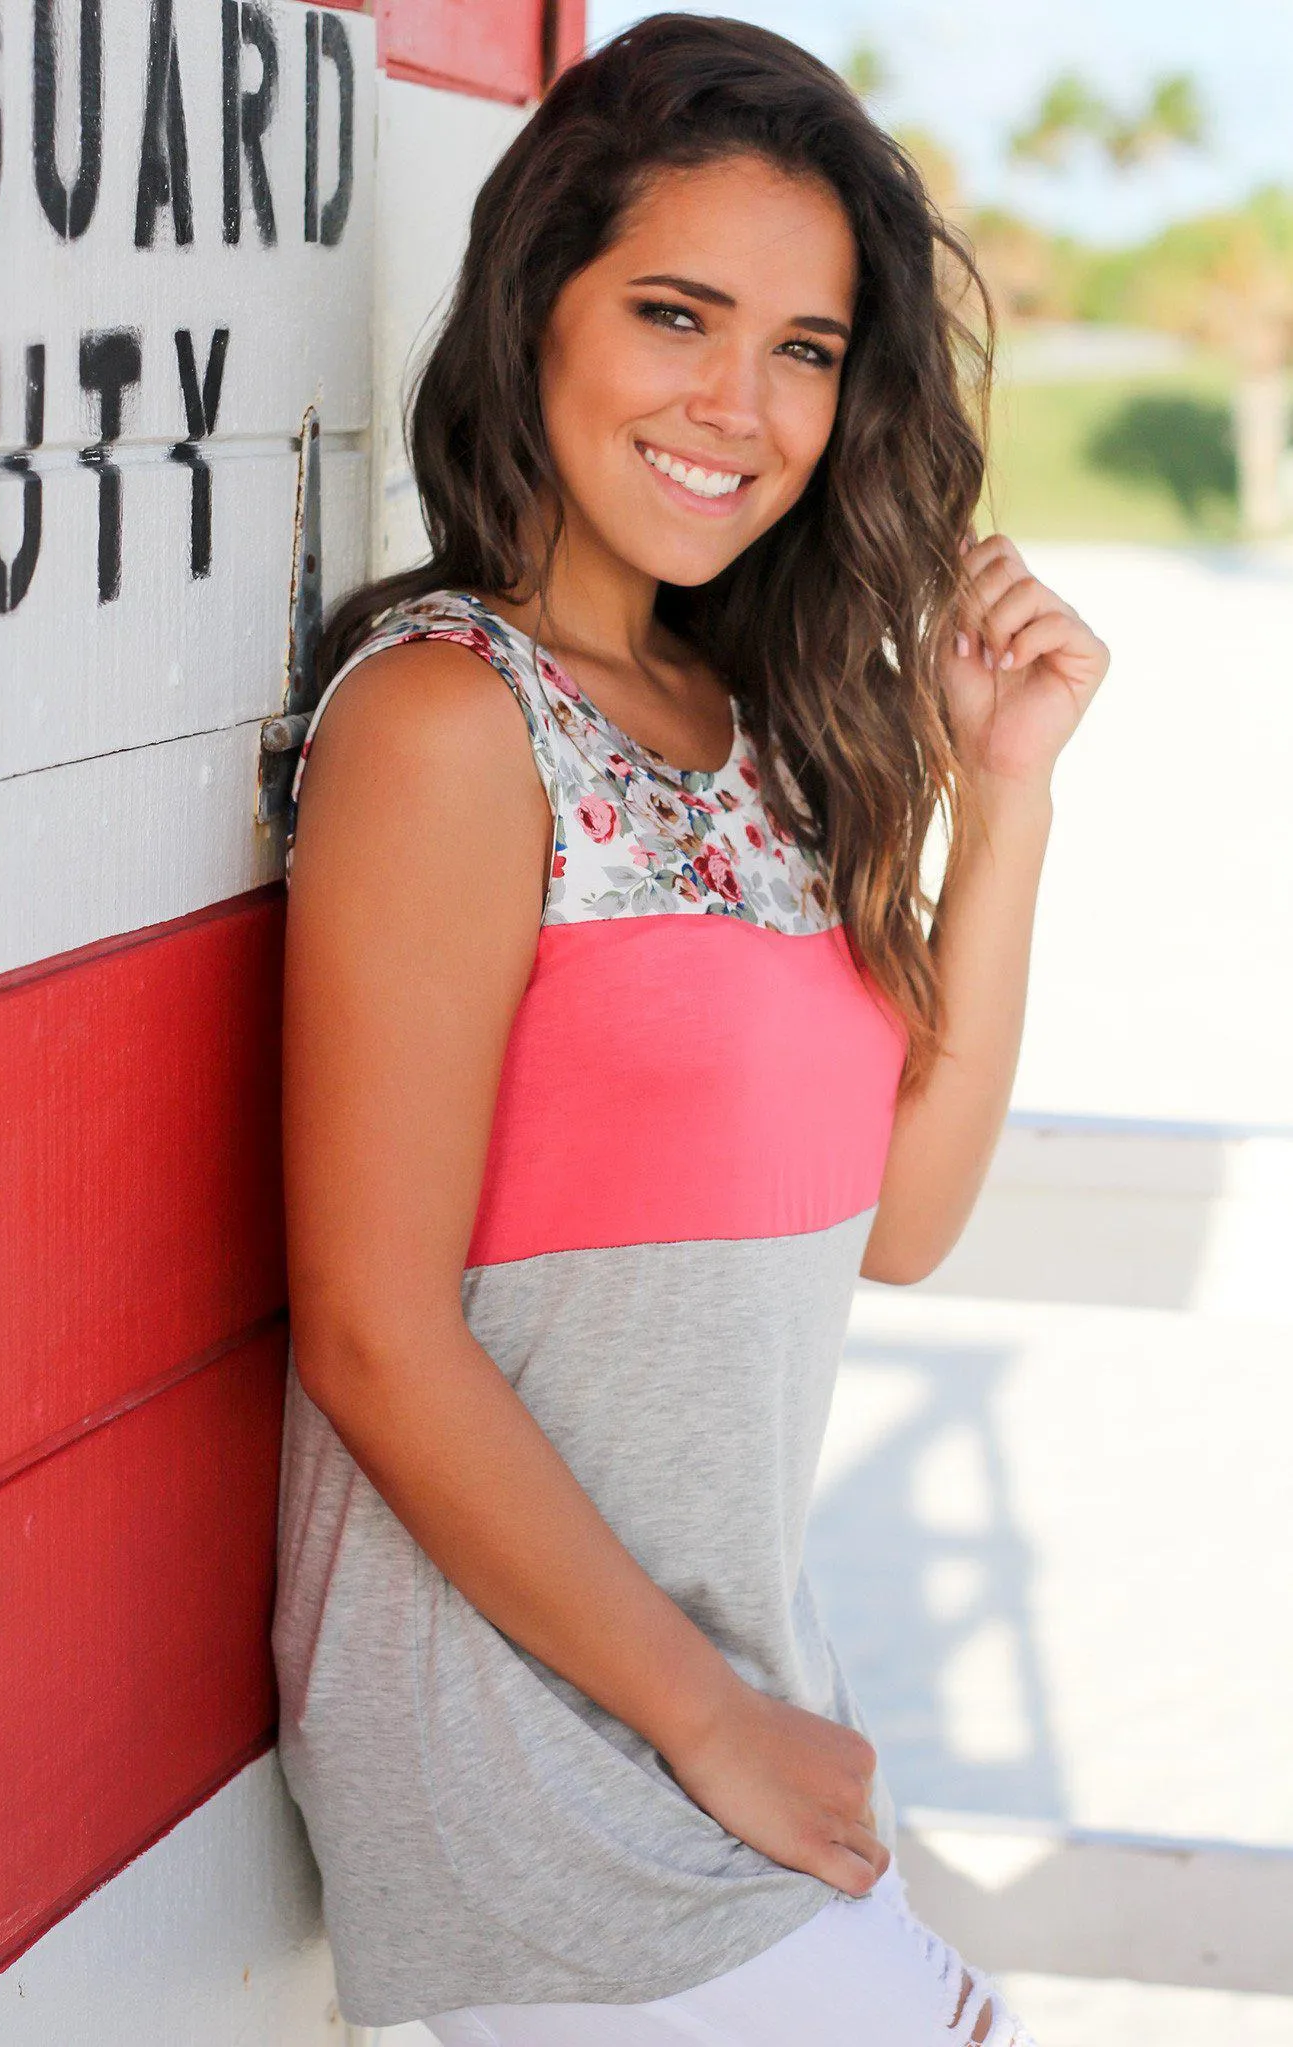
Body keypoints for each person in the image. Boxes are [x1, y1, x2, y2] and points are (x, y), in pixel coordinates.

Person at [271, 14, 1107, 2043]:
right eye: (674, 314)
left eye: (805, 350)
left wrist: (1000, 810)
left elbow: (896, 1222)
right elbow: (372, 1325)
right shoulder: (446, 721)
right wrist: (708, 1722)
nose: (739, 406)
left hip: (733, 1715)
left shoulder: (771, 745)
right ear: (534, 302)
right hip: (534, 1752)